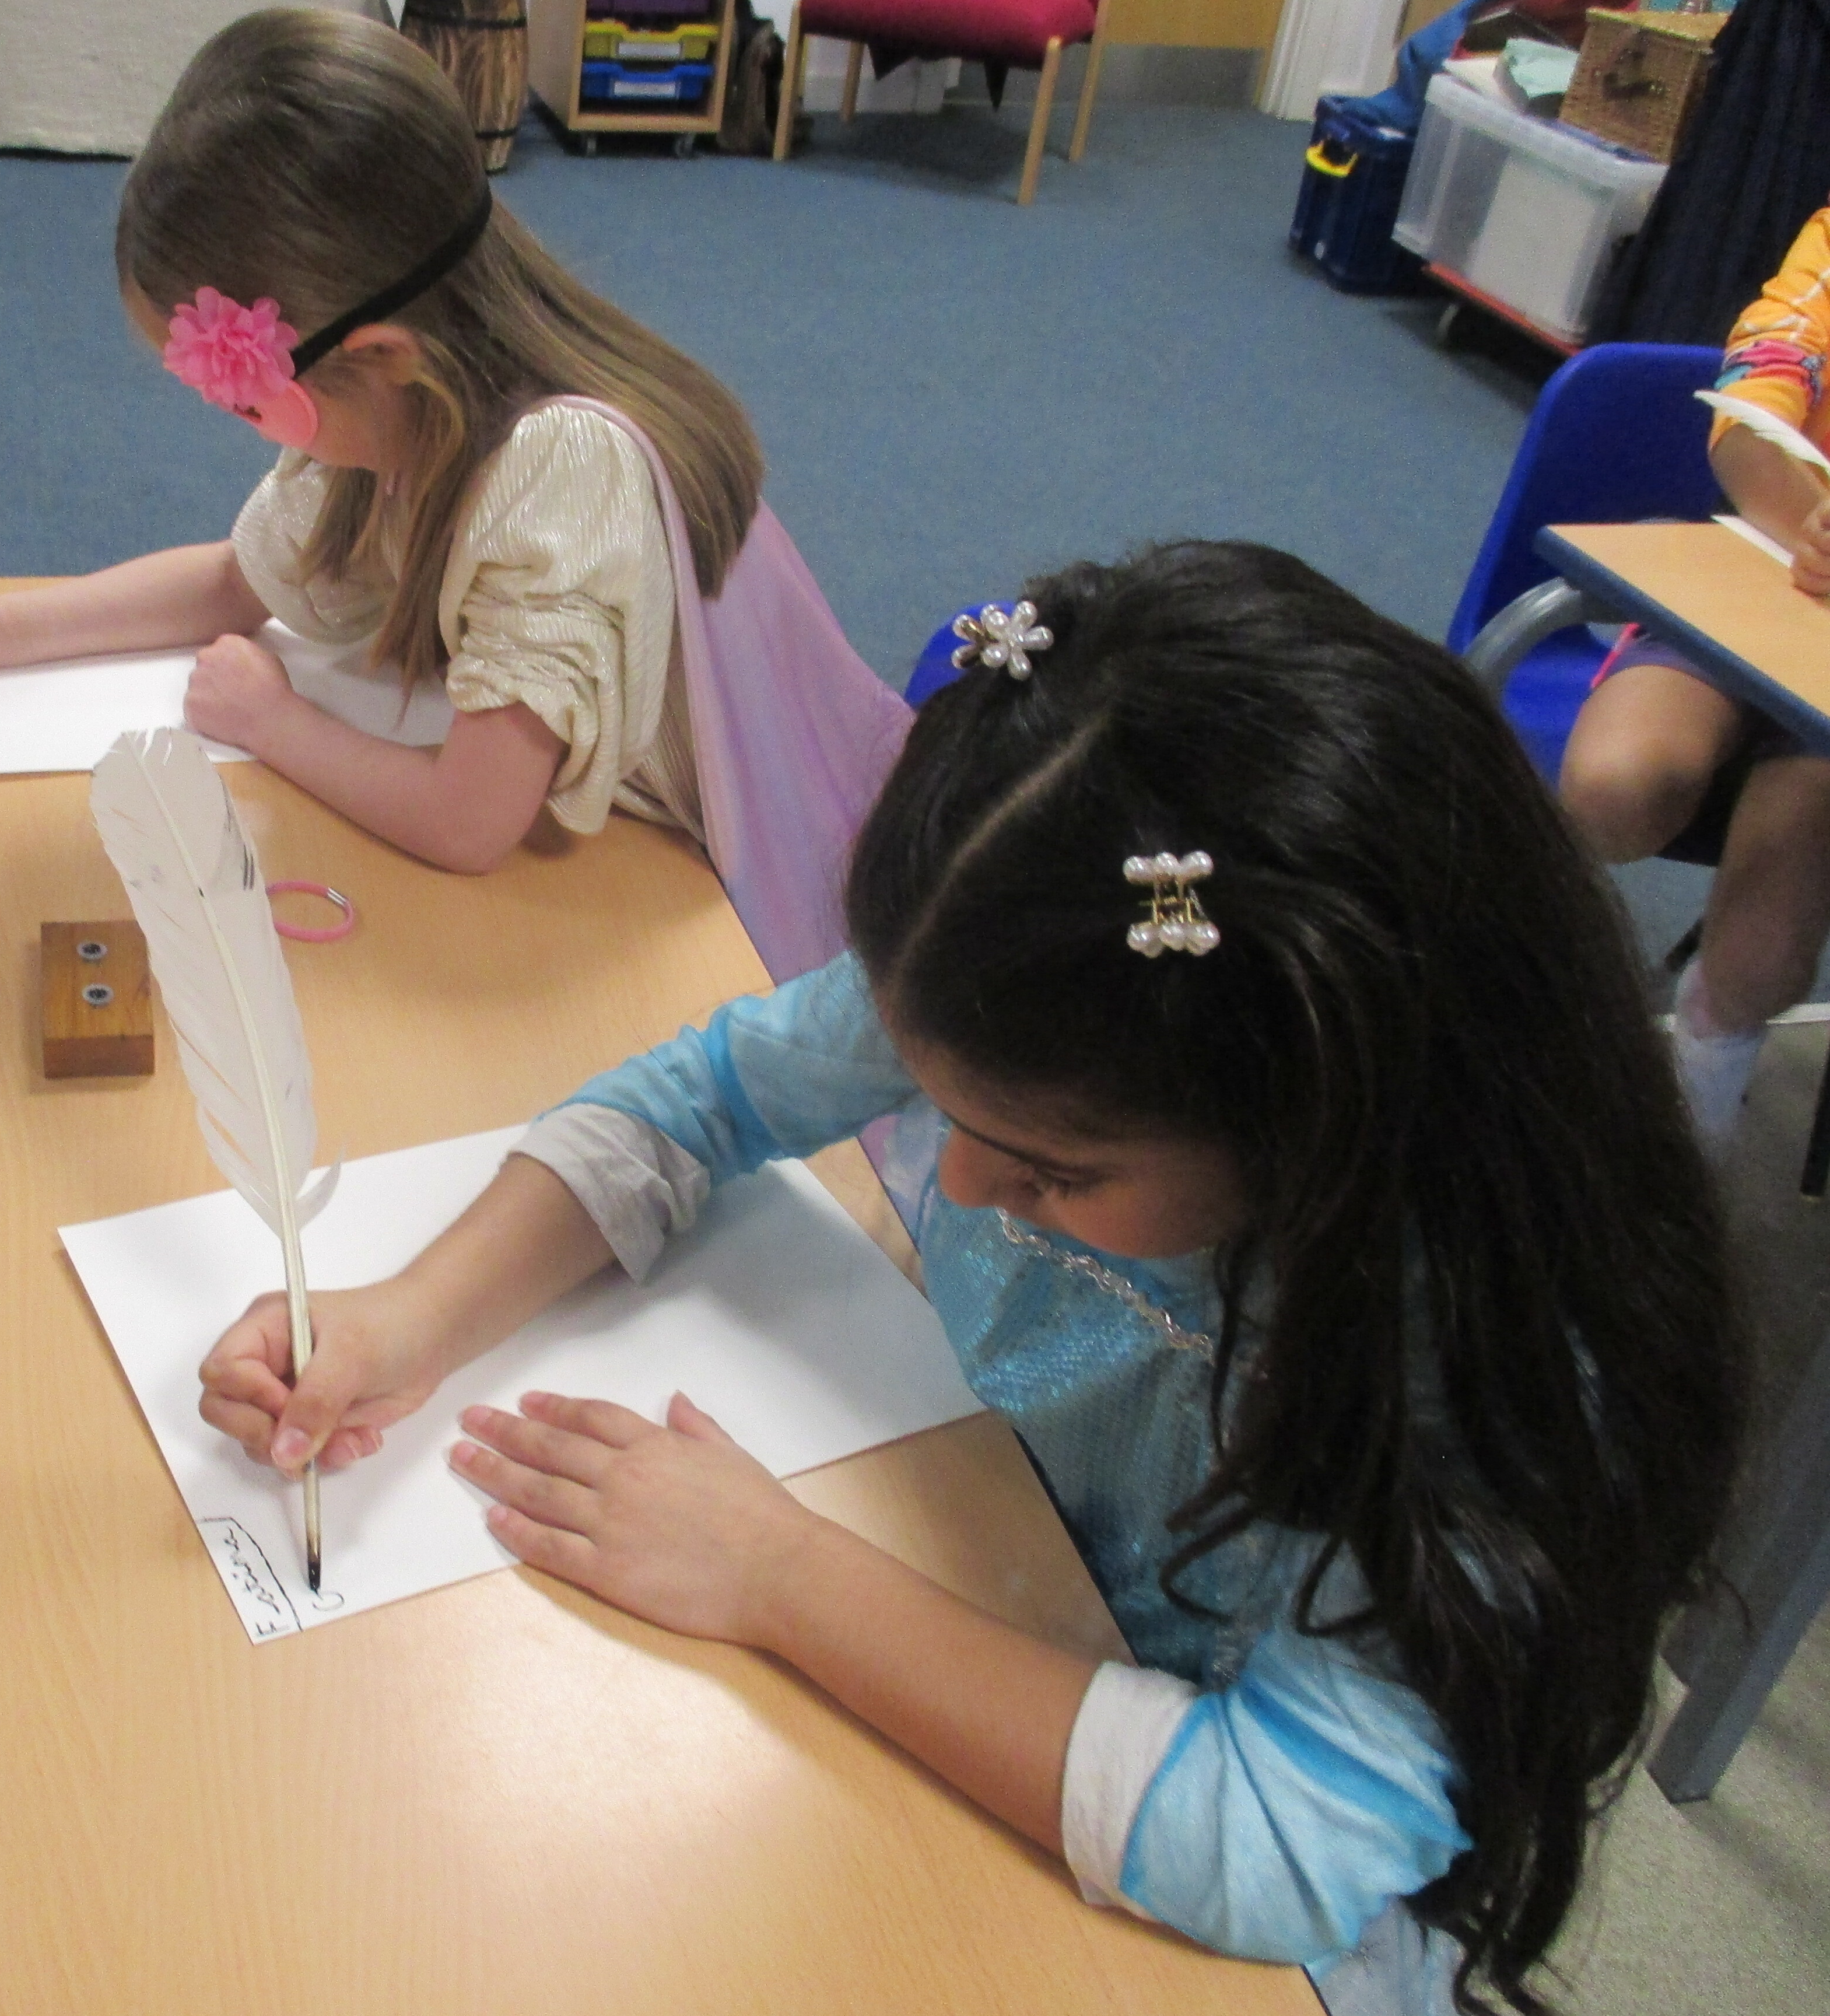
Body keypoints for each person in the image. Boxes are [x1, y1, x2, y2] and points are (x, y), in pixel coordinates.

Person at [199, 544, 1747, 2015]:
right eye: (952, 1118)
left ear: (1307, 1125)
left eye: (1054, 1173)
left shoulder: (1465, 1371)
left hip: (1202, 1881)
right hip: (991, 1574)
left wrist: (780, 1576)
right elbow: (706, 1094)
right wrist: (413, 1317)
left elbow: (1275, 1839)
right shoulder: (1051, 979)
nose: (969, 1186)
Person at [0, 9, 763, 875]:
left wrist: (272, 722)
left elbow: (469, 823)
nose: (241, 425)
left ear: (382, 354)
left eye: (255, 406)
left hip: (680, 874)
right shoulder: (404, 420)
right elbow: (232, 582)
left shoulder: (558, 469)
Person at [1559, 203, 1830, 1144]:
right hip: (1755, 580)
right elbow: (1751, 409)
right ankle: (1521, 1006)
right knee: (1615, 785)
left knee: (1770, 932)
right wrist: (1809, 521)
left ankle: (1688, 1127)